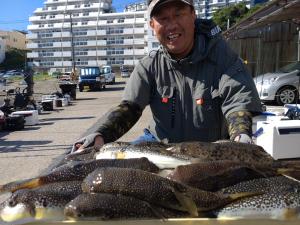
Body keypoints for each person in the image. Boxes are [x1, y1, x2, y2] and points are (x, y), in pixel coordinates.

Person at [72, 0, 262, 153]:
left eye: (178, 14)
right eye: (163, 18)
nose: (172, 25)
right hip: (160, 144)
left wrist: (241, 136)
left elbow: (238, 106)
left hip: (210, 149)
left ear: (193, 15)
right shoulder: (149, 65)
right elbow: (129, 108)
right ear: (152, 26)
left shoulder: (223, 57)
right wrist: (100, 134)